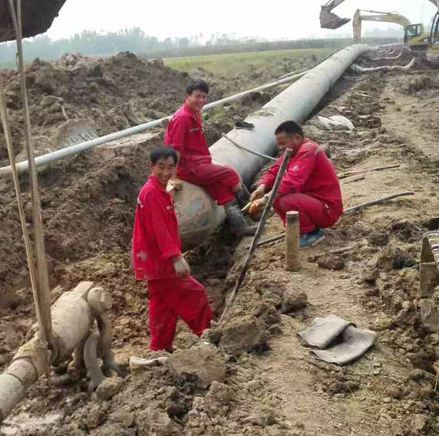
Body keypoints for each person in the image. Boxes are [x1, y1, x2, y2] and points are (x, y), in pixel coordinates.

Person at [132, 145, 213, 351]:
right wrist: (175, 257)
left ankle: (159, 347)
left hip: (153, 260)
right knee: (196, 293)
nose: (166, 172)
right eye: (161, 167)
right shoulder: (152, 194)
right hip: (161, 261)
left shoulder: (158, 190)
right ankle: (207, 334)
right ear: (151, 167)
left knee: (162, 307)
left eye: (170, 167)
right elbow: (159, 229)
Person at [164, 79, 254, 236]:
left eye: (204, 97)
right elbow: (174, 149)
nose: (201, 100)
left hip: (200, 162)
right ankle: (253, 209)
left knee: (223, 192)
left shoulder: (194, 114)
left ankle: (240, 227)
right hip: (190, 168)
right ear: (187, 96)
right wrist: (173, 177)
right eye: (197, 96)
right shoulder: (182, 118)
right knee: (230, 174)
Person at [247, 120, 343, 248]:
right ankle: (298, 229)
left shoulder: (307, 150)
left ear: (297, 138)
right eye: (279, 144)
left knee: (283, 199)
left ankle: (312, 233)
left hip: (328, 208)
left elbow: (291, 181)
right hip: (313, 202)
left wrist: (265, 199)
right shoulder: (292, 152)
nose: (281, 147)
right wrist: (261, 187)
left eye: (283, 143)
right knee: (276, 198)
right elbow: (274, 170)